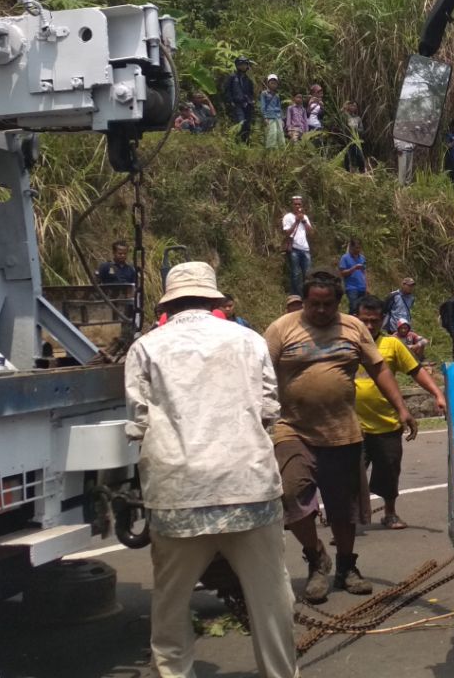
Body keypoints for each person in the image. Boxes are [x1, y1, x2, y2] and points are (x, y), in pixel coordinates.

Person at [124, 261, 296, 678]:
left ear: (169, 303)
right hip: (248, 487)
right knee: (272, 602)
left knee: (170, 604)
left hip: (178, 493)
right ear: (215, 299)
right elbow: (270, 410)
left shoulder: (146, 347)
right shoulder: (248, 340)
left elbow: (138, 423)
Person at [264, 269, 415, 603]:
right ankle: (317, 557)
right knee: (290, 494)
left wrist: (401, 407)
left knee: (343, 508)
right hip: (293, 428)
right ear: (303, 301)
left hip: (342, 431)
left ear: (338, 303)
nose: (320, 311)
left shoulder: (353, 327)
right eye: (313, 304)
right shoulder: (281, 329)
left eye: (327, 304)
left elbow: (378, 368)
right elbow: (259, 373)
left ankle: (346, 567)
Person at [355, 295, 442, 529]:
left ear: (383, 319)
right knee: (351, 474)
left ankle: (390, 513)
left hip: (387, 423)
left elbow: (416, 371)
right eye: (365, 320)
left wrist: (437, 393)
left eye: (374, 320)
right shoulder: (347, 345)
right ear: (355, 319)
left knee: (389, 471)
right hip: (353, 426)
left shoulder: (392, 345)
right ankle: (350, 517)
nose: (370, 325)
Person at [282, 195, 314, 296]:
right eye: (295, 204)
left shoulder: (305, 217)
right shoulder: (287, 217)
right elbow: (287, 233)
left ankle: (307, 295)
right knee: (295, 274)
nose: (297, 206)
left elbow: (311, 232)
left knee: (308, 274)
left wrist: (303, 220)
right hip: (294, 249)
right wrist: (296, 221)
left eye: (299, 204)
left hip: (305, 248)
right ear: (292, 205)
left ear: (302, 205)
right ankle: (295, 295)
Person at [224, 56, 255, 143]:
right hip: (237, 103)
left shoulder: (248, 78)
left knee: (247, 124)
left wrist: (251, 100)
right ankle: (237, 141)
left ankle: (246, 142)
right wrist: (230, 101)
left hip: (247, 103)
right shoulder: (232, 77)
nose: (243, 66)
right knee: (240, 122)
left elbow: (251, 91)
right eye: (241, 64)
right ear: (237, 65)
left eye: (245, 64)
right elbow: (228, 90)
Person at [338, 238, 368, 315]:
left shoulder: (362, 258)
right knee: (353, 308)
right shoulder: (345, 258)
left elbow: (364, 272)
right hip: (351, 287)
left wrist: (367, 286)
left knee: (362, 308)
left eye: (359, 248)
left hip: (362, 287)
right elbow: (342, 273)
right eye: (356, 248)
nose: (358, 250)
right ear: (351, 247)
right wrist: (354, 268)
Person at [260, 74, 284, 149]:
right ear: (268, 83)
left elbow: (279, 107)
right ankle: (271, 149)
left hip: (277, 116)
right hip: (269, 116)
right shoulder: (264, 94)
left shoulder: (277, 95)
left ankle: (281, 148)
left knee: (280, 133)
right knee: (272, 133)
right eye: (272, 83)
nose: (273, 85)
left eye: (275, 83)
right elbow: (263, 106)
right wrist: (265, 117)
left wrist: (282, 118)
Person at [343, 100, 366, 172]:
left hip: (355, 141)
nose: (353, 107)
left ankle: (362, 172)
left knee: (360, 158)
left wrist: (355, 130)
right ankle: (347, 172)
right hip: (347, 140)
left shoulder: (358, 118)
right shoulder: (345, 116)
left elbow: (362, 130)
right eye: (352, 105)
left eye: (355, 106)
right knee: (347, 157)